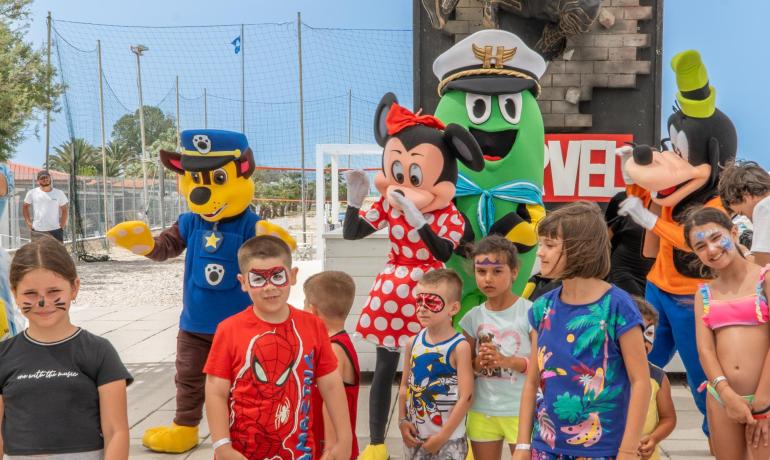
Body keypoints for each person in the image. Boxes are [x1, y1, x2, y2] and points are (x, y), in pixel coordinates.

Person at [513, 201, 650, 460]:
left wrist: (628, 449)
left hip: (604, 450)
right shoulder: (541, 308)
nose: (540, 253)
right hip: (545, 448)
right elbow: (532, 381)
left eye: (550, 245)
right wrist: (522, 445)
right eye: (540, 244)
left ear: (581, 249)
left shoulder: (618, 307)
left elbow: (641, 382)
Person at [203, 235, 351, 460]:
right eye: (258, 280)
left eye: (277, 276)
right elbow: (215, 391)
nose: (269, 287)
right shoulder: (229, 330)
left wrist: (344, 439)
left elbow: (331, 385)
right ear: (243, 282)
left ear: (292, 276)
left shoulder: (312, 326)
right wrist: (222, 446)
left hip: (299, 452)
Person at [0, 236, 132, 459]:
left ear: (74, 288)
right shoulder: (4, 356)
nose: (43, 302)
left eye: (54, 292)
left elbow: (116, 431)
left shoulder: (99, 352)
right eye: (30, 293)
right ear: (14, 293)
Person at [685, 207, 770, 459]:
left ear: (733, 232)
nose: (711, 249)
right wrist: (726, 394)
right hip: (722, 398)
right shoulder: (704, 294)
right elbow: (705, 350)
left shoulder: (764, 280)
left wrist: (764, 402)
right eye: (700, 246)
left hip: (766, 398)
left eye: (715, 238)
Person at [459, 235, 532, 459]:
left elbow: (540, 366)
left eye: (497, 271)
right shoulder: (472, 318)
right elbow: (464, 369)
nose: (488, 279)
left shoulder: (530, 312)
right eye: (481, 272)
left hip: (520, 411)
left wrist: (507, 361)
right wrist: (477, 364)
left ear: (514, 271)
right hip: (482, 411)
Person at [398, 268, 473, 460]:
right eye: (419, 301)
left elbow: (466, 397)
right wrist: (402, 420)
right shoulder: (412, 343)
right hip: (415, 437)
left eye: (431, 302)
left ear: (453, 308)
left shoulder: (459, 347)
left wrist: (442, 436)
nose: (422, 308)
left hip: (449, 441)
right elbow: (404, 386)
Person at [304, 271, 361, 460]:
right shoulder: (331, 344)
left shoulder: (335, 349)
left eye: (304, 302)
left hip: (332, 448)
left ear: (313, 310)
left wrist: (329, 447)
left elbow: (331, 401)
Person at [633, 297, 676, 460]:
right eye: (636, 332)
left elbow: (668, 418)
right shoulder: (604, 376)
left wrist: (653, 438)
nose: (643, 341)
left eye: (649, 333)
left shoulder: (657, 377)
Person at [718, 161, 770, 267]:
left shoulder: (763, 207)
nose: (750, 219)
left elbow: (763, 268)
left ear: (746, 195)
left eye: (743, 213)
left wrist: (742, 252)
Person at [605, 191, 654, 297]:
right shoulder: (623, 200)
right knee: (637, 308)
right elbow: (604, 243)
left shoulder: (672, 203)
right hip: (624, 272)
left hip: (655, 277)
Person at [23, 170, 68, 243]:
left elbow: (65, 210)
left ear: (50, 178)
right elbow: (25, 207)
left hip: (56, 230)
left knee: (56, 254)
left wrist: (62, 226)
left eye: (46, 177)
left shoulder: (59, 193)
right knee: (37, 253)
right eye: (42, 178)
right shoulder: (32, 193)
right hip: (38, 230)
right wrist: (29, 223)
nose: (45, 179)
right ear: (38, 181)